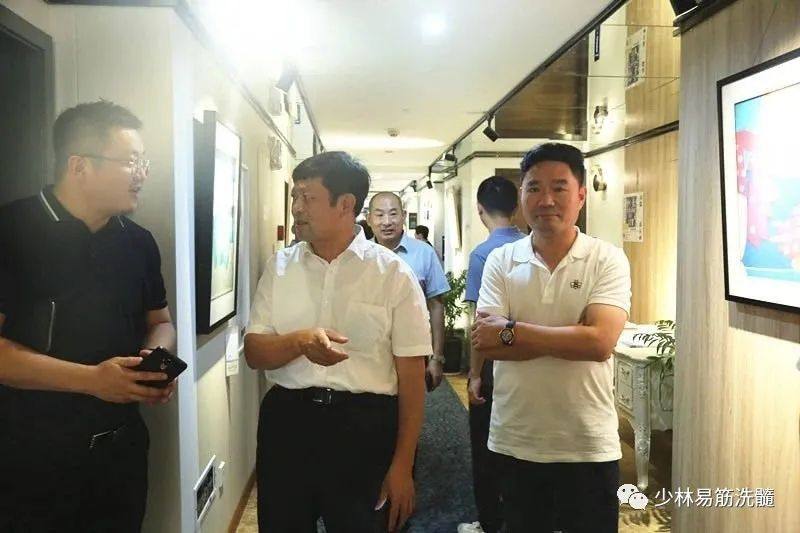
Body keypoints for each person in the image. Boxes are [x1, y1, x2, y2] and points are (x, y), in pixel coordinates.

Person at [0, 100, 176, 532]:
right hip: (33, 458)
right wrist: (93, 380)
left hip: (122, 453)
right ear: (79, 166)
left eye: (144, 162)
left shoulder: (138, 242)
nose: (142, 174)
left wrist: (154, 363)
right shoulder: (12, 230)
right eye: (130, 161)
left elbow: (161, 320)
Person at [244, 152, 431, 533]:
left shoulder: (393, 274)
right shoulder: (279, 268)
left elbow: (412, 379)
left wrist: (403, 466)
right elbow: (254, 352)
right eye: (294, 196)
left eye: (308, 197)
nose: (296, 208)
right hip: (288, 421)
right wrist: (299, 342)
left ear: (346, 204)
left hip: (364, 427)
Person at [471, 143, 631, 533]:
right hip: (517, 438)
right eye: (534, 188)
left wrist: (512, 331)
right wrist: (572, 336)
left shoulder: (606, 259)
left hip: (587, 442)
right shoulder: (501, 260)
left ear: (581, 196)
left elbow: (599, 343)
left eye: (559, 188)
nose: (545, 200)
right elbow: (486, 342)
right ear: (521, 196)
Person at [458, 176, 526, 533]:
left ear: (479, 209)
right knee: (522, 447)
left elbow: (479, 323)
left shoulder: (483, 255)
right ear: (517, 207)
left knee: (486, 446)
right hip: (529, 360)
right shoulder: (531, 247)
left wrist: (474, 374)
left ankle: (489, 522)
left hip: (494, 364)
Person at [369, 192, 449, 389]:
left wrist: (437, 358)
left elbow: (436, 306)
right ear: (369, 219)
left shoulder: (424, 252)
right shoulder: (360, 255)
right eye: (379, 215)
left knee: (411, 404)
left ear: (403, 216)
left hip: (414, 350)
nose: (387, 222)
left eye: (393, 214)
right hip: (369, 352)